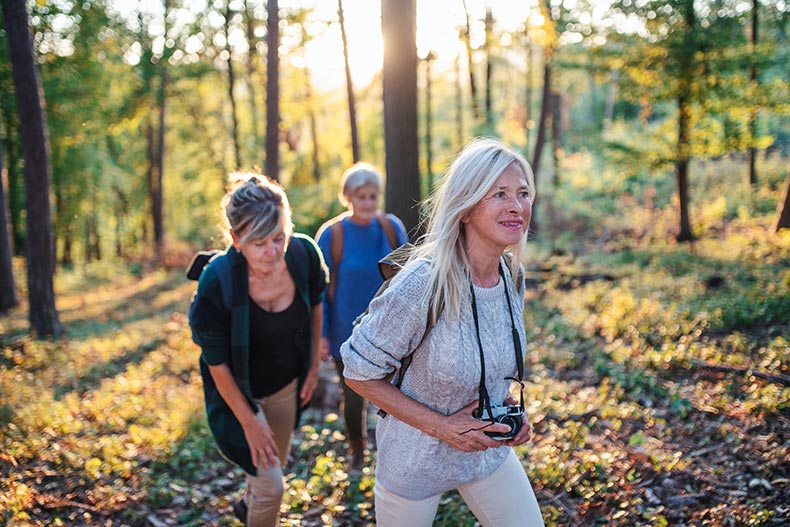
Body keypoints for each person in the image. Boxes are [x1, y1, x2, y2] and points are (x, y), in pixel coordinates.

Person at [339, 138, 545, 526]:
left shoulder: (510, 275)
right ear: (466, 207)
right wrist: (443, 427)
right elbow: (356, 370)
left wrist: (510, 411)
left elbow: (493, 358)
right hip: (413, 461)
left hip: (485, 451)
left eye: (522, 193)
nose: (517, 206)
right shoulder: (423, 282)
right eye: (499, 194)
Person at [188, 174, 327, 527]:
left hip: (285, 385)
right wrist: (249, 421)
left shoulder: (303, 254)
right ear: (236, 240)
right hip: (237, 392)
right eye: (259, 243)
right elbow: (215, 361)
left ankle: (247, 509)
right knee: (272, 487)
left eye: (279, 237)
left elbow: (315, 305)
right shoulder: (217, 280)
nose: (272, 251)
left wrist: (312, 367)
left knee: (270, 465)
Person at [315, 162, 408, 470]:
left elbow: (409, 278)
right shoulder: (332, 235)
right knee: (354, 395)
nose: (367, 203)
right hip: (347, 331)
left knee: (394, 395)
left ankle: (393, 453)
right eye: (361, 197)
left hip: (389, 328)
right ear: (349, 197)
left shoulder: (391, 228)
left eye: (372, 196)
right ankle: (357, 450)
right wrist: (322, 334)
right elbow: (320, 290)